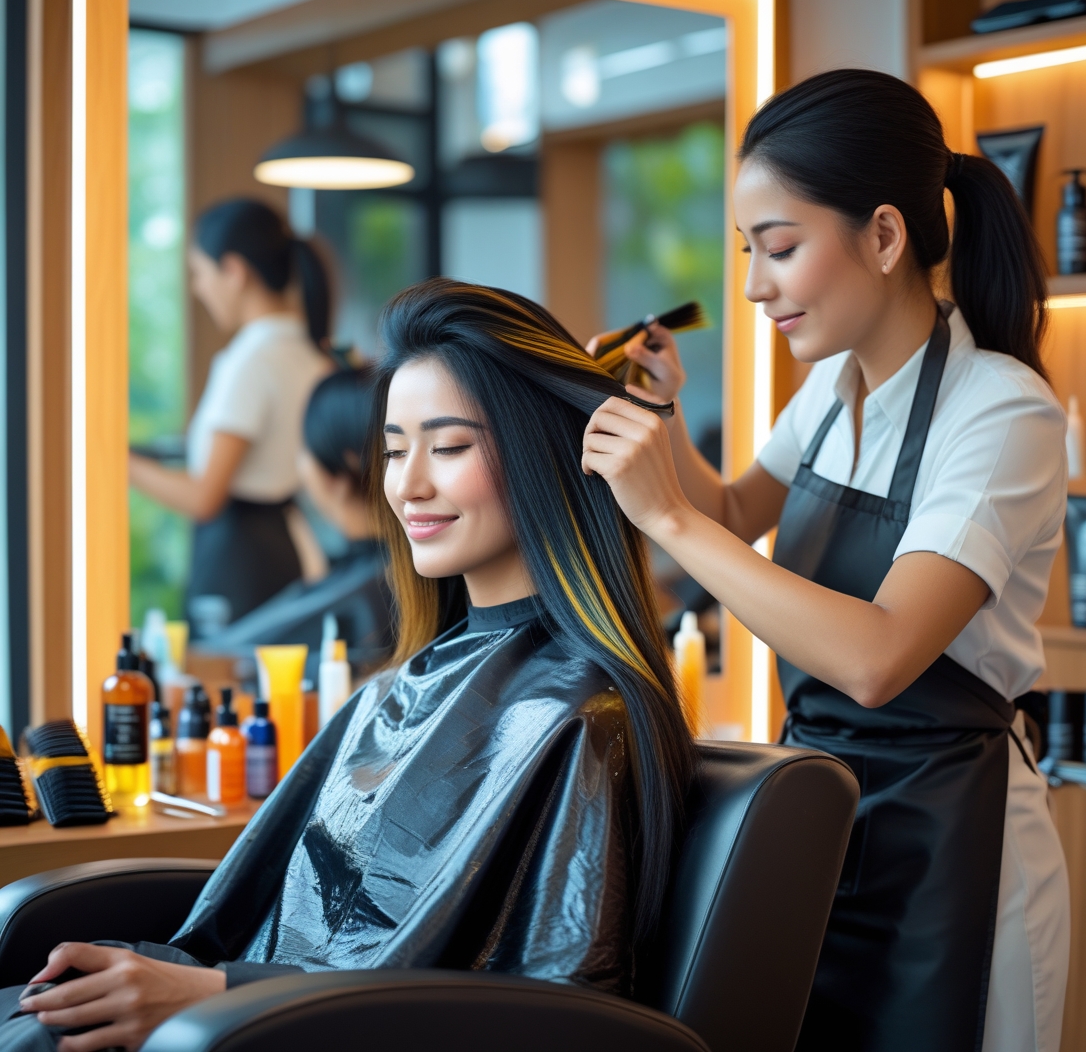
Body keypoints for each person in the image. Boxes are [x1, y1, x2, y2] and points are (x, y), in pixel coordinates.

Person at [3, 280, 693, 1051]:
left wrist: (213, 995)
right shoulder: (408, 682)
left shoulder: (577, 715)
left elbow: (544, 1003)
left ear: (542, 453)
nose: (408, 485)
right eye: (394, 451)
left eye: (450, 447)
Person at [581, 69, 1069, 1052]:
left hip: (958, 840)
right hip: (823, 820)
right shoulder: (831, 390)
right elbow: (733, 512)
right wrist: (663, 411)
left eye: (780, 248)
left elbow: (877, 656)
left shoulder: (1001, 411)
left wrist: (665, 516)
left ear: (883, 237)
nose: (753, 287)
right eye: (747, 253)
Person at [129, 198, 332, 628]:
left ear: (234, 271)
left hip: (239, 563)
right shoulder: (307, 355)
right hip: (285, 549)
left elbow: (205, 497)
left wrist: (114, 461)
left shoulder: (251, 361)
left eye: (200, 273)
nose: (198, 288)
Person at [195, 369, 393, 673]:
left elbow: (228, 659)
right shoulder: (389, 577)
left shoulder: (371, 586)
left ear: (341, 471)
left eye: (304, 450)